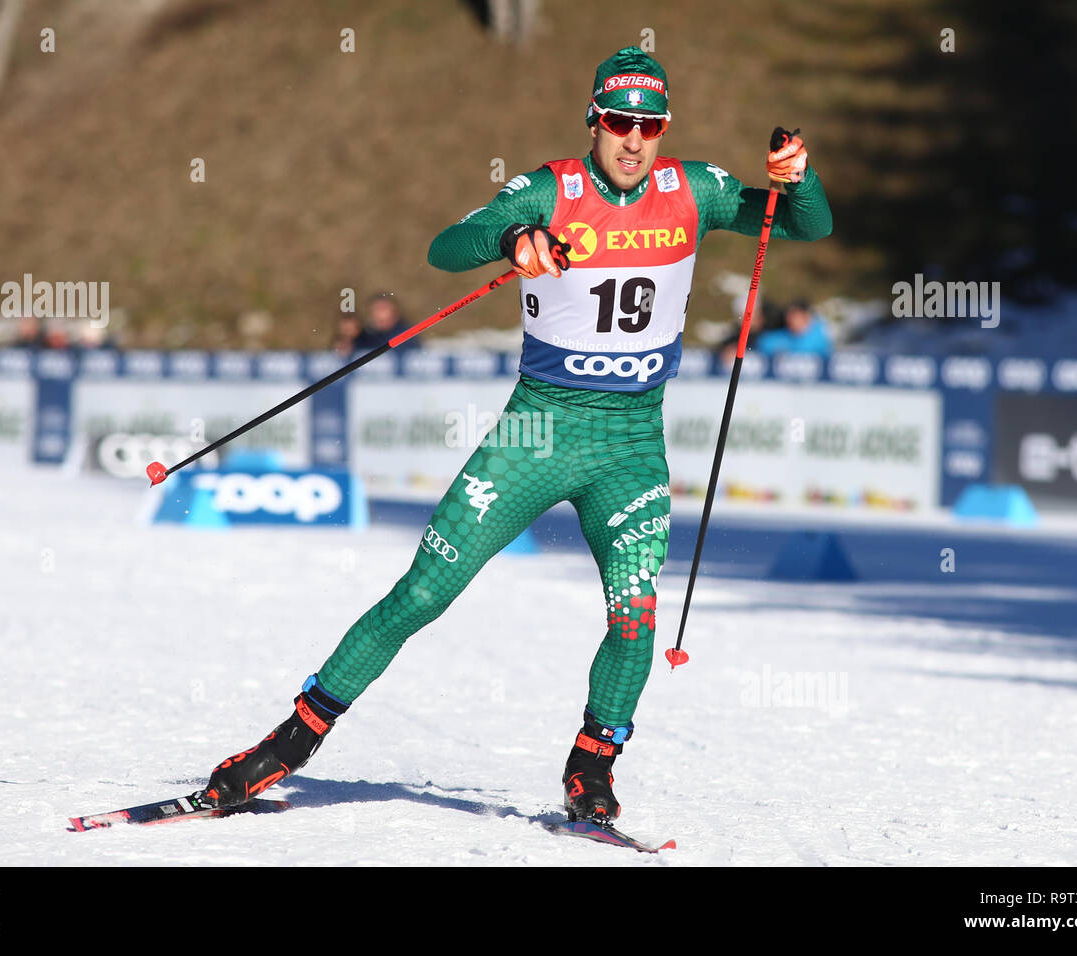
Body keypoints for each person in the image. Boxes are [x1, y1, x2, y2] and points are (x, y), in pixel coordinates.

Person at [203, 47, 832, 824]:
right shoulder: (549, 189)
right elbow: (446, 247)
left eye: (650, 125)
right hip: (537, 430)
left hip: (632, 446)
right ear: (593, 121)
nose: (633, 140)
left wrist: (798, 179)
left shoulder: (691, 188)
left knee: (636, 617)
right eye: (617, 122)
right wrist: (512, 242)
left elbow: (806, 225)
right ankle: (290, 743)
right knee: (423, 594)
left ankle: (591, 765)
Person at [754, 298, 831, 357]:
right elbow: (765, 344)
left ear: (806, 317)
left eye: (796, 317)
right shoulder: (777, 337)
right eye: (789, 316)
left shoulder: (819, 338)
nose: (791, 320)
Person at [353, 291, 418, 351]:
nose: (380, 313)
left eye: (383, 308)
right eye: (377, 308)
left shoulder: (406, 335)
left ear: (394, 312)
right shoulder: (363, 336)